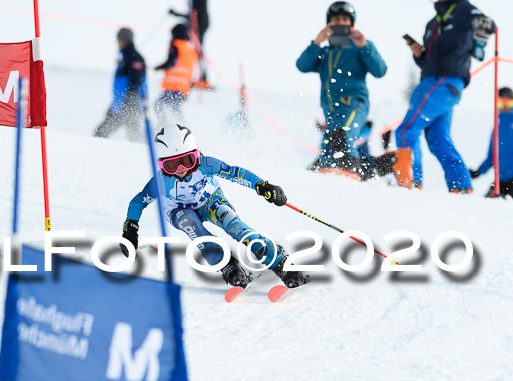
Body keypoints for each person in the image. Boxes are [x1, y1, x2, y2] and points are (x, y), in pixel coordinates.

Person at [120, 124, 309, 289]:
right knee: (191, 223)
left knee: (235, 227)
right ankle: (227, 264)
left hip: (211, 200)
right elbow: (138, 203)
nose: (181, 169)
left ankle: (279, 261)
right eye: (171, 165)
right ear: (161, 165)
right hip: (179, 211)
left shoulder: (206, 164)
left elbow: (236, 173)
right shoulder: (160, 182)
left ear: (196, 154)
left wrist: (262, 186)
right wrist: (130, 230)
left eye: (187, 160)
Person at [394, 0, 495, 192]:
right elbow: (429, 62)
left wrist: (480, 36)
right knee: (438, 138)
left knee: (406, 130)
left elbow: (486, 23)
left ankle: (409, 183)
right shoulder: (431, 23)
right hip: (437, 82)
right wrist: (419, 55)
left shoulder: (462, 9)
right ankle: (461, 186)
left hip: (444, 81)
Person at [296, 2, 387, 180]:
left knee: (342, 138)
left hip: (354, 104)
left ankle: (350, 178)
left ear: (352, 24)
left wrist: (364, 46)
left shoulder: (360, 48)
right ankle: (386, 165)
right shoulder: (325, 52)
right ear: (329, 23)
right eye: (336, 20)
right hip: (331, 111)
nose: (341, 23)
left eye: (345, 20)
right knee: (327, 153)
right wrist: (317, 42)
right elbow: (302, 65)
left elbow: (380, 70)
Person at [94, 28, 147, 142]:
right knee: (135, 137)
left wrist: (127, 102)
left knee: (100, 133)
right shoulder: (126, 56)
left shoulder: (133, 57)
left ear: (122, 40)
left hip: (128, 104)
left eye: (117, 39)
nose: (117, 42)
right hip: (122, 103)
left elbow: (137, 80)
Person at [469, 87, 513, 198]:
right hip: (500, 181)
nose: (504, 107)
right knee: (485, 206)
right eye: (501, 102)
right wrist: (477, 172)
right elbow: (492, 157)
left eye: (507, 102)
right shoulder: (496, 129)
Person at [154, 24, 198, 126]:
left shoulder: (176, 45)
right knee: (173, 108)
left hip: (173, 86)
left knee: (159, 106)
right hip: (183, 87)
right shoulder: (189, 48)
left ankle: (169, 125)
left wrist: (156, 68)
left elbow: (170, 62)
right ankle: (179, 126)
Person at [169, 0, 211, 89]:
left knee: (198, 51)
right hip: (196, 24)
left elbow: (196, 13)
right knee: (194, 51)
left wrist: (177, 14)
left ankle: (203, 78)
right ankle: (199, 77)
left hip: (199, 25)